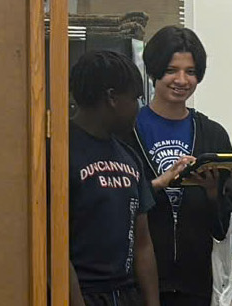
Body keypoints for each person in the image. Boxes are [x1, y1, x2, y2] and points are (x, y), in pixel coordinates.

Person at [133, 27, 232, 306]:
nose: (181, 80)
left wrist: (213, 193)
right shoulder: (128, 130)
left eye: (190, 72)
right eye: (171, 70)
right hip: (136, 281)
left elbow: (227, 221)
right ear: (154, 71)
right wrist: (159, 183)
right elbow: (116, 205)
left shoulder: (213, 134)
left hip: (197, 283)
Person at [68, 50, 162, 306]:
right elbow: (54, 246)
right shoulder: (59, 152)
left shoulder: (129, 156)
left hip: (126, 293)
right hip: (83, 293)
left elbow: (143, 243)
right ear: (112, 98)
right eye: (135, 99)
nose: (139, 108)